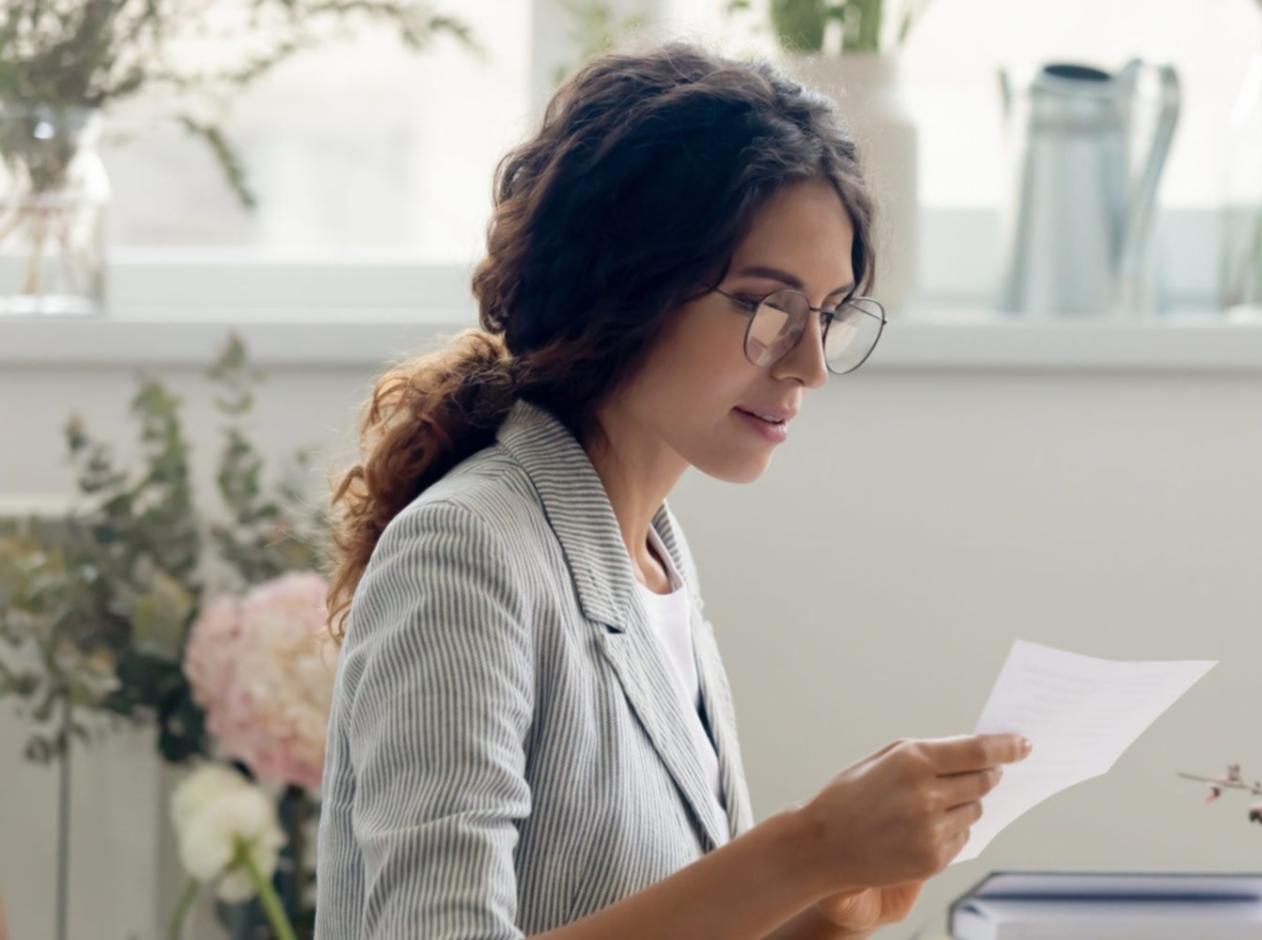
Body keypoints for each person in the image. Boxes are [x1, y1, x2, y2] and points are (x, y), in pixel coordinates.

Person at [314, 40, 1029, 939]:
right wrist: (800, 849)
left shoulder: (652, 558)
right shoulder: (467, 552)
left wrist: (828, 910)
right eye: (764, 304)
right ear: (628, 287)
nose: (808, 365)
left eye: (828, 315)